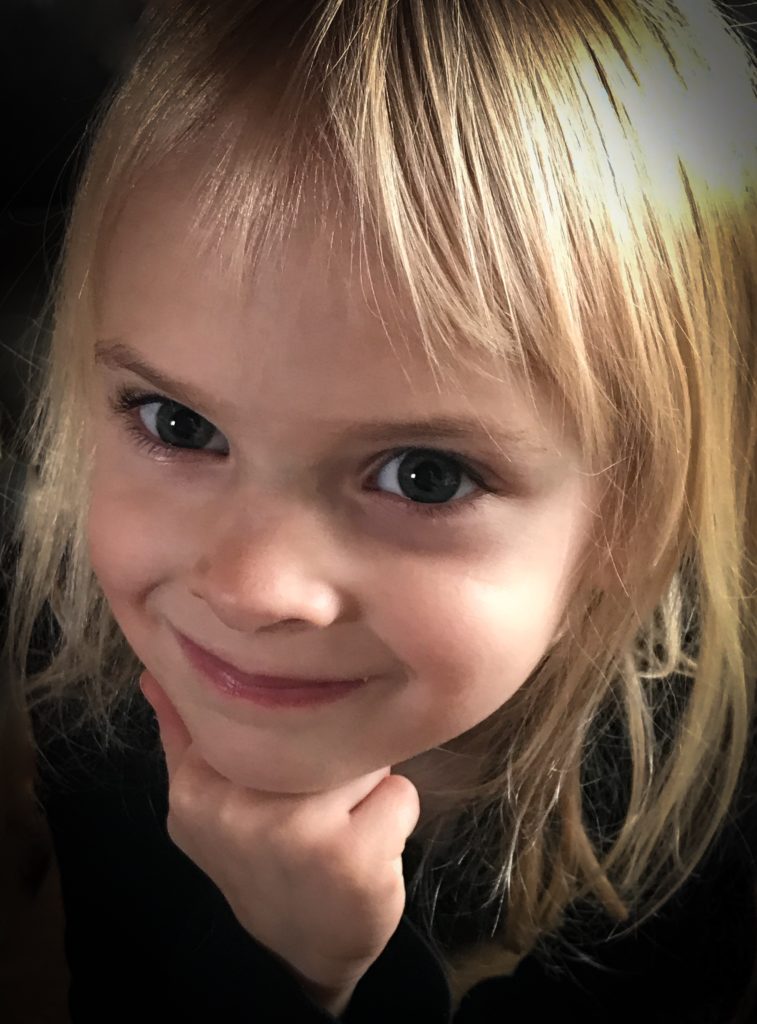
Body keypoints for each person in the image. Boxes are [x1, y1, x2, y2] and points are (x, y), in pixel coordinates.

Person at [3, 0, 757, 1020]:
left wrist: (343, 982)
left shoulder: (697, 815)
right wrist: (270, 968)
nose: (250, 589)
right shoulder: (90, 680)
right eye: (178, 424)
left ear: (632, 518)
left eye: (424, 475)